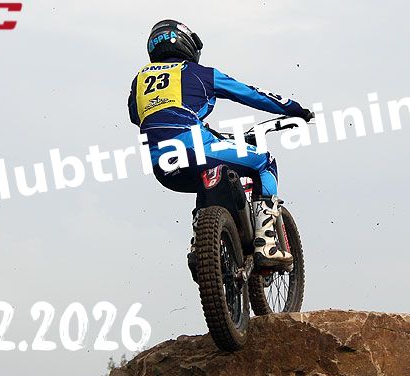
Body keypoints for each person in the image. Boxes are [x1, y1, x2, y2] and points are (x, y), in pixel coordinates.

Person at [128, 19, 312, 268]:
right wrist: (295, 109)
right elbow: (250, 94)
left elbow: (139, 117)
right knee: (264, 161)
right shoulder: (200, 73)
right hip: (195, 149)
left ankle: (200, 246)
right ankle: (266, 243)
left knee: (206, 180)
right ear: (186, 44)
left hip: (162, 166)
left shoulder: (139, 81)